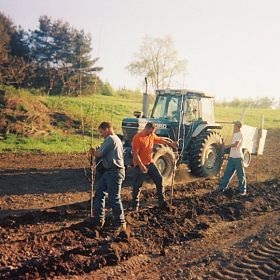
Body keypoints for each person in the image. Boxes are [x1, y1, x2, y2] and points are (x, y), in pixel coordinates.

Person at [130, 122, 177, 211]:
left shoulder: (151, 135)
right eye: (151, 131)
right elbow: (135, 154)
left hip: (150, 164)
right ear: (146, 128)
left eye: (153, 132)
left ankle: (162, 202)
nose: (152, 133)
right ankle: (134, 206)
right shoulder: (137, 138)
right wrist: (141, 166)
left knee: (159, 180)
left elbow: (160, 140)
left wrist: (171, 144)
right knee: (137, 186)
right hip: (140, 165)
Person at [89, 122, 126, 233]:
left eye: (101, 132)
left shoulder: (111, 139)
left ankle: (120, 223)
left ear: (108, 129)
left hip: (114, 172)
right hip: (109, 172)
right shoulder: (115, 139)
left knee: (114, 198)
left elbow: (99, 154)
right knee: (99, 194)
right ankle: (99, 219)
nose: (101, 134)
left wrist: (93, 152)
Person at [218, 120, 247, 195]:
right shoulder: (235, 134)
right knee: (227, 174)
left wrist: (227, 146)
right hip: (232, 157)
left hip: (238, 158)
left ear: (237, 126)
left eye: (234, 125)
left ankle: (242, 190)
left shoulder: (240, 134)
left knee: (240, 175)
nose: (233, 126)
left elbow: (236, 145)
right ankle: (222, 188)